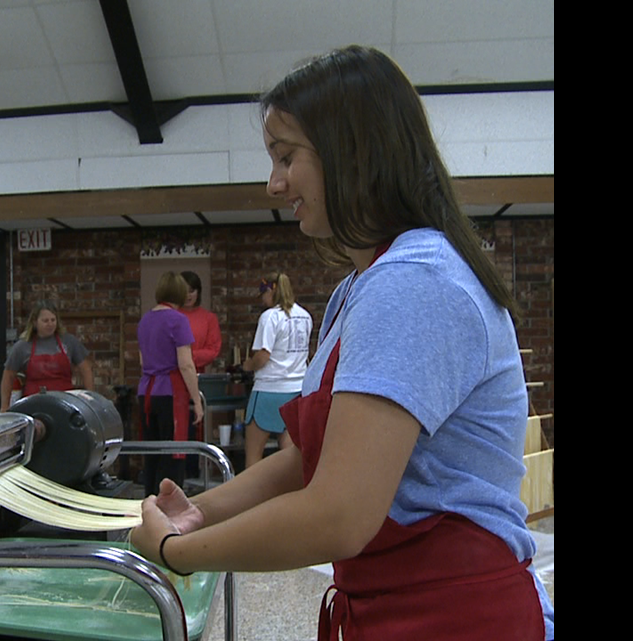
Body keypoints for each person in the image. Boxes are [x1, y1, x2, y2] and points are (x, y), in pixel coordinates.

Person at [130, 46, 553, 640]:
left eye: (286, 157)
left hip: (450, 613)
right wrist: (201, 514)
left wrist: (179, 552)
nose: (274, 183)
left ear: (352, 151)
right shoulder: (363, 285)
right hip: (392, 603)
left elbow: (340, 513)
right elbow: (309, 463)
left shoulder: (415, 280)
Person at [136, 272, 204, 497]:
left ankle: (150, 503)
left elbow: (142, 361)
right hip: (170, 393)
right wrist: (197, 400)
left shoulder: (145, 319)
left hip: (146, 391)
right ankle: (170, 508)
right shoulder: (178, 320)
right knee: (173, 453)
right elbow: (186, 364)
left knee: (152, 454)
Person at [241, 272, 311, 467]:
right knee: (289, 456)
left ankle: (252, 496)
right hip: (297, 389)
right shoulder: (305, 316)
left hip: (269, 389)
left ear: (271, 290)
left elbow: (264, 355)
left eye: (262, 294)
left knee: (253, 455)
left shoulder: (270, 317)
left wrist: (248, 365)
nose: (262, 300)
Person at [0, 301, 94, 411]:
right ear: (35, 322)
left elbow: (86, 369)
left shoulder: (69, 342)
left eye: (53, 320)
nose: (50, 324)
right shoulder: (22, 346)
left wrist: (90, 399)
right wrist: (4, 406)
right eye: (45, 321)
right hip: (33, 405)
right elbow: (8, 376)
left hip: (65, 404)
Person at [178, 271, 221, 476]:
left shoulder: (208, 318)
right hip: (174, 380)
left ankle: (194, 473)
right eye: (184, 291)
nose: (188, 295)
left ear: (198, 292)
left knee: (196, 427)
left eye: (192, 291)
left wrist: (186, 356)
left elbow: (213, 350)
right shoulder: (172, 316)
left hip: (198, 379)